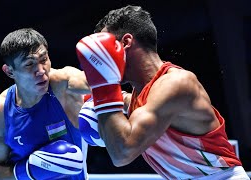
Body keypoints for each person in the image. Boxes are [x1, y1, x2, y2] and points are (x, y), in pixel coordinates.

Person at [75, 5, 250, 179]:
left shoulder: (176, 83)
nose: (98, 60)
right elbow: (72, 80)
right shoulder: (140, 95)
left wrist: (103, 90)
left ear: (126, 43)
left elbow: (122, 153)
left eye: (103, 50)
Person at [0, 28, 90, 180]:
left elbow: (98, 84)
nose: (41, 71)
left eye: (44, 59)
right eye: (29, 64)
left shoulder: (61, 85)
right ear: (9, 72)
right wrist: (29, 171)